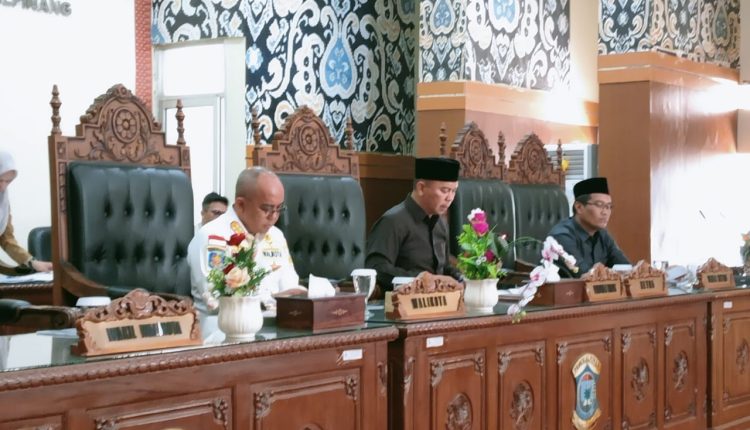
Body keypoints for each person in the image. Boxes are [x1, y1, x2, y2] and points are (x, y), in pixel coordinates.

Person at [188, 167, 300, 335]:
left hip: (277, 330)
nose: (274, 217)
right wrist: (271, 300)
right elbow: (216, 298)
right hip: (224, 333)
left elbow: (291, 288)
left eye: (279, 209)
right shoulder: (212, 236)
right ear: (241, 205)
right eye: (267, 209)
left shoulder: (276, 236)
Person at [365, 157, 462, 289]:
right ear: (421, 188)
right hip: (402, 299)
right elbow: (376, 268)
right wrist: (419, 280)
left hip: (437, 299)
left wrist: (461, 278)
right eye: (444, 191)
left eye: (453, 191)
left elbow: (443, 267)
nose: (450, 198)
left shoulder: (440, 223)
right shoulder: (393, 221)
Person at [548, 177, 629, 277]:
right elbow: (584, 275)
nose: (605, 212)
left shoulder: (602, 234)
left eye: (608, 206)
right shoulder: (561, 236)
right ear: (579, 207)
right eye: (599, 205)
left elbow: (625, 267)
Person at [0, 151, 53, 273]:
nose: (3, 187)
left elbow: (6, 239)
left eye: (8, 181)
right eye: (0, 180)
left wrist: (32, 262)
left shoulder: (3, 203)